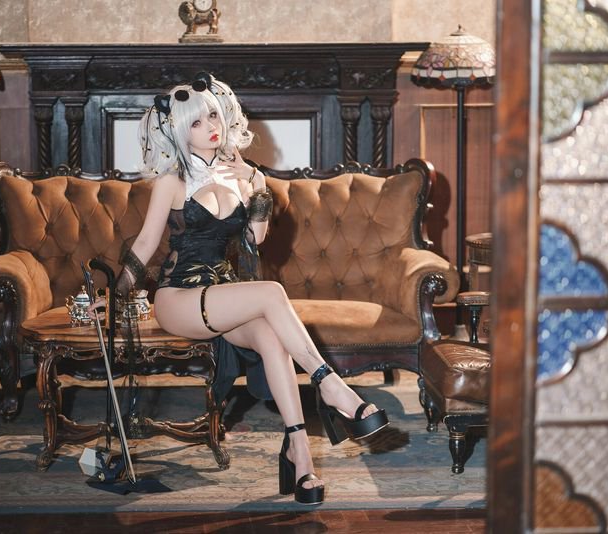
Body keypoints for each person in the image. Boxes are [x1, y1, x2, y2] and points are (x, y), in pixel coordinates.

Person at [90, 73, 388, 505]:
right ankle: (330, 384)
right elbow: (146, 243)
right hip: (179, 298)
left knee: (272, 338)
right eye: (195, 122)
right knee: (270, 293)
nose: (210, 127)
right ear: (179, 131)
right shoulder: (172, 182)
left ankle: (300, 454)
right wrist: (115, 296)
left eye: (213, 115)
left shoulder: (242, 176)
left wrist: (258, 182)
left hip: (223, 295)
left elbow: (256, 239)